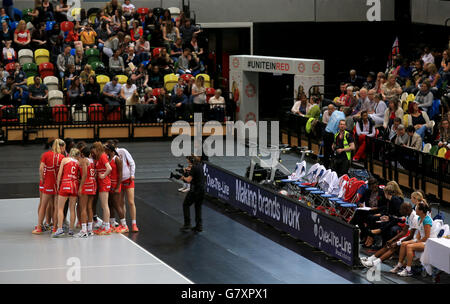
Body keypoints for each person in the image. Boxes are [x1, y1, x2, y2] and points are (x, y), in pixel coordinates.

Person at [361, 201, 419, 268]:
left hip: (415, 238)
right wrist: (392, 240)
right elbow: (404, 231)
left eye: (401, 209)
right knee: (388, 244)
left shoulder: (415, 218)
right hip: (410, 237)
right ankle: (370, 259)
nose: (400, 211)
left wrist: (398, 242)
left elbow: (411, 236)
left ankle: (374, 263)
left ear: (407, 210)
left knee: (393, 246)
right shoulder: (408, 216)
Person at [32, 139, 66, 234]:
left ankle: (39, 227)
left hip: (47, 183)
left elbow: (41, 168)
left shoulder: (45, 155)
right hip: (57, 184)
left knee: (43, 205)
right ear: (61, 147)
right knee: (56, 207)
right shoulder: (62, 157)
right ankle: (54, 228)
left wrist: (42, 178)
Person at [391, 201, 432, 276]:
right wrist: (416, 240)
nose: (415, 210)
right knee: (403, 244)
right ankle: (399, 265)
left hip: (428, 242)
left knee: (409, 246)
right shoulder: (420, 218)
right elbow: (420, 232)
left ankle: (408, 270)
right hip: (421, 240)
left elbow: (427, 237)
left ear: (421, 211)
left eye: (416, 209)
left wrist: (417, 242)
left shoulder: (427, 220)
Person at [111, 139, 139, 232]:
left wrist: (132, 174)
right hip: (119, 180)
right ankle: (124, 224)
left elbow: (132, 162)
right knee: (121, 202)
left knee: (131, 202)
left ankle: (134, 224)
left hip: (128, 178)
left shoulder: (123, 151)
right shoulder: (110, 155)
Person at [52, 148, 81, 237]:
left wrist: (57, 185)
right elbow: (79, 175)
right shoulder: (78, 163)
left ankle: (60, 228)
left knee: (60, 208)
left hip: (65, 184)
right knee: (72, 209)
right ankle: (71, 229)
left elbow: (60, 173)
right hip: (74, 185)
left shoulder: (65, 160)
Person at [91, 141, 113, 235]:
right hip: (102, 182)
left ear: (97, 149)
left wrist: (103, 175)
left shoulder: (103, 156)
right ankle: (105, 224)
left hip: (104, 182)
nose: (93, 152)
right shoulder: (100, 156)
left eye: (94, 150)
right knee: (104, 205)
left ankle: (107, 227)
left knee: (104, 205)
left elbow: (109, 168)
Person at [104, 143, 126, 233]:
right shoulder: (108, 158)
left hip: (115, 185)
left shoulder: (117, 159)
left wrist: (118, 187)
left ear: (110, 150)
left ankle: (124, 225)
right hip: (109, 185)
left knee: (117, 205)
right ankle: (112, 223)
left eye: (106, 149)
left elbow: (120, 174)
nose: (105, 151)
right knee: (110, 204)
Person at [180, 156, 204, 232]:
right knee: (198, 207)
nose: (188, 163)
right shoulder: (200, 165)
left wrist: (183, 177)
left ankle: (187, 224)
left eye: (189, 162)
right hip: (202, 190)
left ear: (191, 161)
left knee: (186, 204)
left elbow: (188, 180)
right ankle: (199, 226)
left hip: (195, 190)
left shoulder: (194, 168)